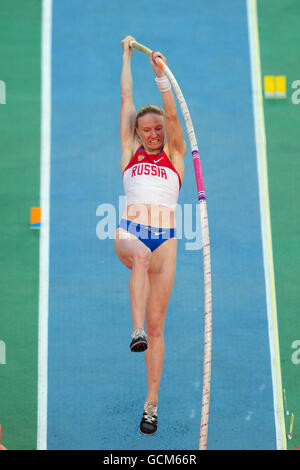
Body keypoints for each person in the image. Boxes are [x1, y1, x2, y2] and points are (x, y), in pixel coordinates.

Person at [114, 35, 186, 436]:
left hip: (167, 241)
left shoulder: (175, 157)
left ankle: (151, 404)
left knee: (160, 328)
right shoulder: (130, 151)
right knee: (138, 255)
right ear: (137, 133)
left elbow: (176, 121)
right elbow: (126, 99)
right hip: (130, 231)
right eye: (147, 129)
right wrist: (128, 58)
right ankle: (134, 328)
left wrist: (162, 79)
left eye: (157, 128)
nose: (154, 133)